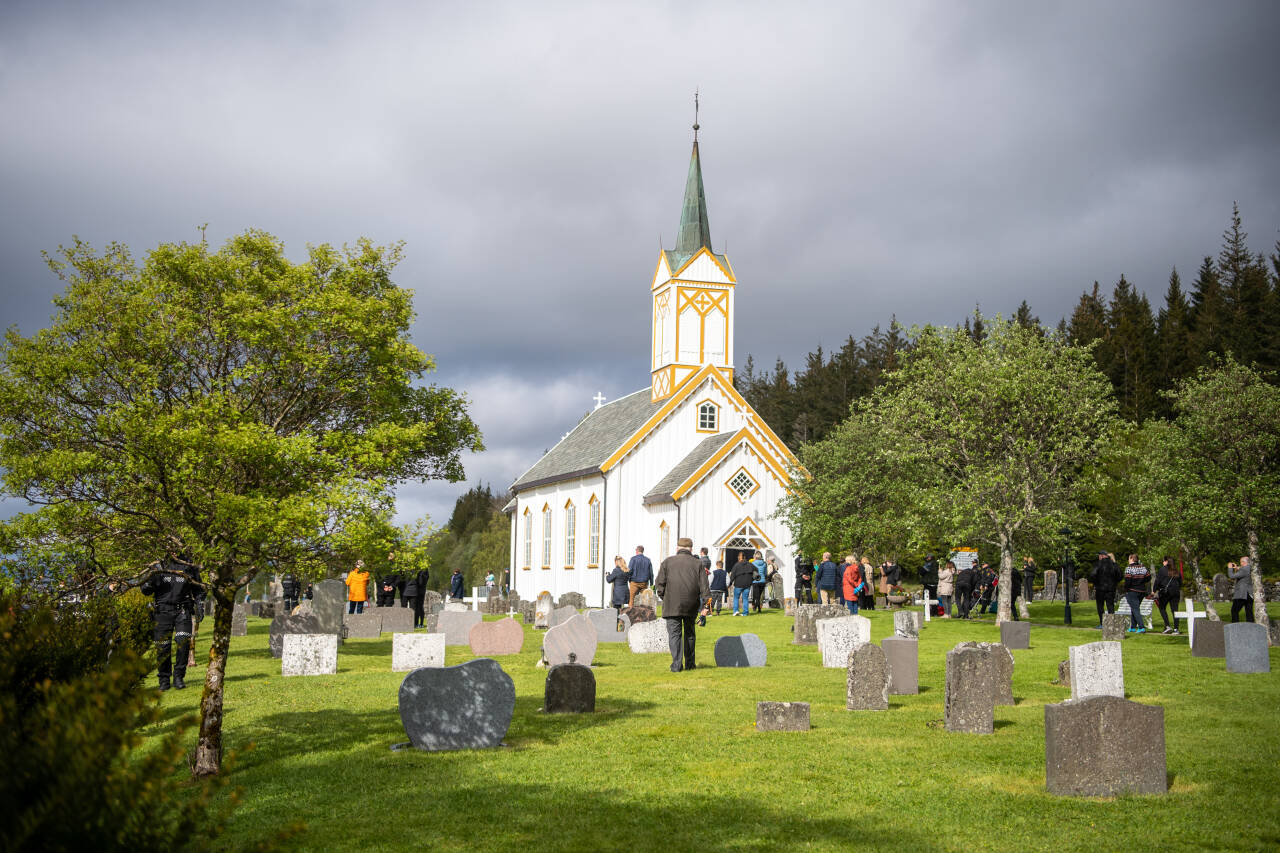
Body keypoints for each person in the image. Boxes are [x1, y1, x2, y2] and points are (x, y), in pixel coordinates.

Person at [140, 556, 204, 691]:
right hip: (162, 611)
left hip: (183, 610)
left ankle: (178, 677)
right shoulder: (158, 566)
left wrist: (200, 604)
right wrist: (150, 581)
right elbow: (145, 590)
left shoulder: (188, 565)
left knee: (183, 640)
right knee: (163, 646)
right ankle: (164, 680)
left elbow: (198, 588)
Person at [655, 537, 708, 673]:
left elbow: (659, 585)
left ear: (677, 548)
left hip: (672, 603)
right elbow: (704, 587)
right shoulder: (698, 563)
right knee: (690, 633)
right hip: (691, 603)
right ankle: (690, 664)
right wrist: (706, 606)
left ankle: (677, 665)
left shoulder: (667, 562)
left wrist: (665, 597)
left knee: (674, 634)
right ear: (691, 549)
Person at [1090, 551, 1121, 627]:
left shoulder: (1098, 564)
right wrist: (1114, 582)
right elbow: (1120, 576)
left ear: (1101, 556)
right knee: (1110, 606)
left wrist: (1096, 582)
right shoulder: (1114, 564)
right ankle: (1111, 623)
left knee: (1100, 606)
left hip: (1100, 588)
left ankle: (1102, 623)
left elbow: (1093, 575)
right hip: (1111, 588)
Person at [1122, 554, 1150, 633]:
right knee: (1134, 608)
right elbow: (1148, 577)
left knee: (1135, 609)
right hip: (1141, 591)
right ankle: (1133, 627)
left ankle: (1141, 627)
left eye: (1128, 558)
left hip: (1132, 591)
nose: (1128, 560)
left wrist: (1126, 589)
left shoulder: (1129, 568)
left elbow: (1127, 581)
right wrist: (1141, 581)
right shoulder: (1143, 568)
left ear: (1131, 559)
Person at [1154, 556, 1182, 634]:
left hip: (1165, 592)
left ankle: (1167, 626)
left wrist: (1154, 590)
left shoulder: (1162, 570)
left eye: (1163, 561)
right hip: (1176, 592)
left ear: (1166, 561)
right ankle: (1176, 629)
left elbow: (1157, 581)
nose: (1163, 563)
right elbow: (1180, 582)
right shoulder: (1176, 571)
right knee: (1175, 610)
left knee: (1162, 607)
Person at [1228, 557, 1255, 622]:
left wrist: (1230, 568)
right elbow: (1244, 571)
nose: (1240, 563)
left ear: (1244, 562)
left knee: (1234, 610)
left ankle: (1235, 626)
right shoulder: (1251, 568)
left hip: (1242, 594)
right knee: (1249, 612)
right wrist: (1237, 568)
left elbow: (1231, 576)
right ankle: (1251, 627)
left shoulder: (1244, 570)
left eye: (1241, 562)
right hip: (1249, 594)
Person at [408, 562, 430, 628]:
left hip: (419, 591)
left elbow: (420, 582)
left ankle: (418, 623)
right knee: (419, 607)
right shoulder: (425, 571)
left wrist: (419, 574)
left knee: (419, 607)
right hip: (420, 590)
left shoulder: (423, 571)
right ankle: (419, 623)